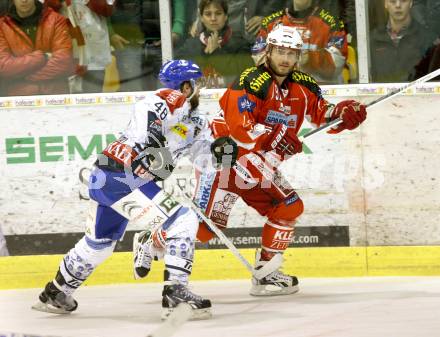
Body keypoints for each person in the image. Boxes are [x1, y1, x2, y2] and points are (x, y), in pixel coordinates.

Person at [134, 25, 366, 296]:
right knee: (206, 231)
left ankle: (266, 274)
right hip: (225, 163)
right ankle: (152, 239)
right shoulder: (251, 80)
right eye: (280, 51)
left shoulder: (304, 85)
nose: (285, 59)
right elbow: (239, 129)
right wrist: (275, 137)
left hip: (259, 166)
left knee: (288, 207)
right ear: (268, 51)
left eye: (292, 53)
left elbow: (322, 111)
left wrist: (344, 112)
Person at [31, 59, 236, 320]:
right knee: (183, 219)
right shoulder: (159, 102)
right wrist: (155, 141)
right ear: (185, 87)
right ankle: (176, 292)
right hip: (119, 174)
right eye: (195, 83)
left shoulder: (197, 122)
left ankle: (56, 292)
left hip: (111, 175)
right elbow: (148, 123)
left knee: (100, 243)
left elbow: (206, 162)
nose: (200, 89)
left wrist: (223, 155)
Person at [251, 0, 348, 84]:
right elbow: (258, 57)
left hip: (322, 90)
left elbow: (336, 65)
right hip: (281, 90)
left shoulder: (332, 23)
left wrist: (310, 58)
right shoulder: (271, 23)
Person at [0, 0, 74, 96]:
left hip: (55, 98)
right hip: (19, 100)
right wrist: (42, 57)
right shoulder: (2, 26)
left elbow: (64, 62)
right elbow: (3, 67)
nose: (24, 0)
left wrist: (23, 76)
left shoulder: (56, 20)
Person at [176, 0, 253, 88]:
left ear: (226, 16)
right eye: (208, 14)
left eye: (218, 13)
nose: (213, 18)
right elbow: (176, 72)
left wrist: (216, 52)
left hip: (231, 98)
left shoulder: (241, 44)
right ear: (201, 17)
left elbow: (247, 77)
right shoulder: (191, 45)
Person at [369, 0, 436, 82]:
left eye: (403, 1)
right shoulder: (373, 39)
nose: (398, 5)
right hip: (381, 93)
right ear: (385, 4)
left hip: (417, 93)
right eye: (392, 1)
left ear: (411, 3)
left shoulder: (426, 38)